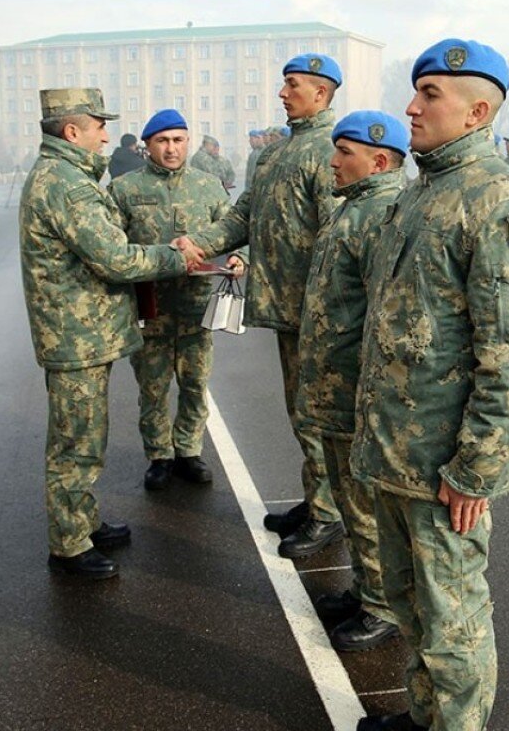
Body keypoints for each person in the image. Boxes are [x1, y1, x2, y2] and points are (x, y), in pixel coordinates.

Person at [353, 38, 509, 731]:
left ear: (477, 111)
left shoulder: (502, 207)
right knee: (412, 606)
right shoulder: (425, 193)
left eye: (430, 95)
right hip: (395, 453)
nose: (411, 107)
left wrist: (476, 471)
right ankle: (424, 716)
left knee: (453, 621)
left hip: (443, 466)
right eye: (414, 92)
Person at [20, 88, 195, 580]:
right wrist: (174, 256)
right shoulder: (66, 186)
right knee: (76, 443)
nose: (104, 135)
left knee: (87, 437)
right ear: (72, 131)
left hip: (81, 334)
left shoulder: (66, 176)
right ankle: (70, 545)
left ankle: (84, 520)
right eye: (98, 125)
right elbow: (116, 258)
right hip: (75, 338)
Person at [176, 53, 346, 556]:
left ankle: (328, 513)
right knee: (301, 411)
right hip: (286, 308)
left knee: (317, 415)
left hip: (316, 313)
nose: (281, 92)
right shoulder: (276, 154)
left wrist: (333, 308)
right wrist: (200, 244)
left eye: (291, 85)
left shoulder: (330, 153)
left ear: (321, 93)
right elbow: (243, 216)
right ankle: (317, 500)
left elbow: (340, 239)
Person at [295, 110, 407, 653]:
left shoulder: (381, 215)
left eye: (344, 153)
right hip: (333, 386)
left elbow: (383, 316)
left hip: (353, 389)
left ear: (379, 161)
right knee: (345, 493)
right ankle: (365, 589)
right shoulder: (355, 208)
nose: (333, 162)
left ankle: (382, 605)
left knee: (363, 505)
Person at [109, 109, 246, 491]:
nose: (171, 149)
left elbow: (235, 228)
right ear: (148, 145)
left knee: (194, 382)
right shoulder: (124, 190)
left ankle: (188, 450)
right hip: (150, 307)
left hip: (196, 304)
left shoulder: (209, 186)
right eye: (163, 141)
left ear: (188, 142)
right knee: (152, 386)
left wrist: (240, 256)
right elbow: (112, 246)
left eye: (178, 140)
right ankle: (158, 455)